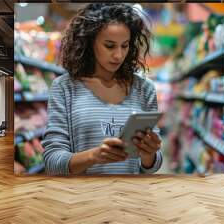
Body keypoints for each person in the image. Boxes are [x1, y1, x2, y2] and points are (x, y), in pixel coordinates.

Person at [42, 3, 162, 175]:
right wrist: (94, 156)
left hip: (131, 196)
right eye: (110, 45)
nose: (119, 55)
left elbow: (153, 165)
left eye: (125, 45)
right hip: (81, 198)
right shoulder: (65, 87)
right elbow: (52, 161)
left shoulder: (144, 89)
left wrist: (148, 154)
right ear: (90, 43)